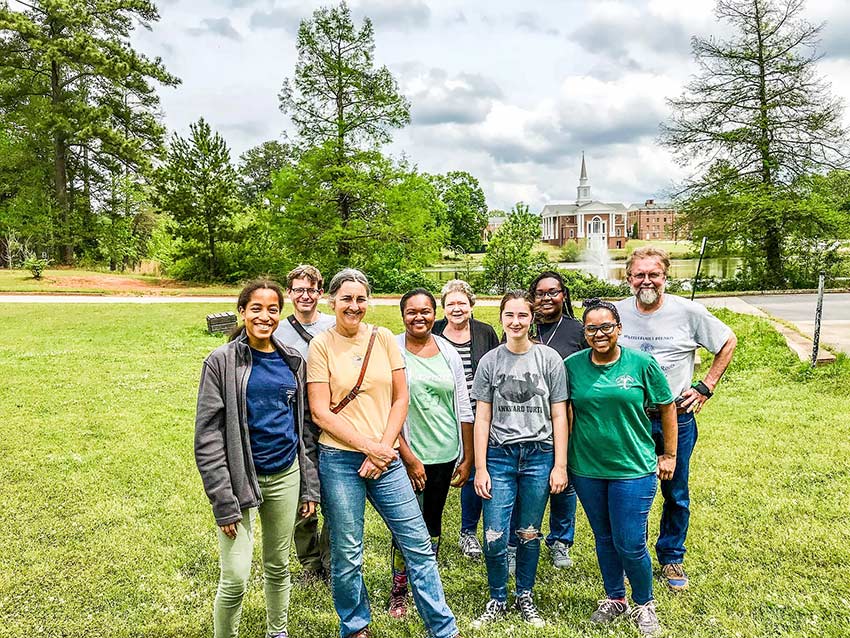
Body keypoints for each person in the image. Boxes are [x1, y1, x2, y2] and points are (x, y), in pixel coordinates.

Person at [306, 269, 460, 638]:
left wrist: (384, 448)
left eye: (361, 299)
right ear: (333, 301)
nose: (354, 306)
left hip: (386, 461)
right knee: (348, 552)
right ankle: (356, 626)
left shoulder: (384, 339)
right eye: (346, 299)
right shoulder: (321, 345)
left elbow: (400, 397)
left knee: (418, 545)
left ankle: (443, 628)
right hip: (341, 460)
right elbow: (320, 412)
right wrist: (369, 447)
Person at [195, 279, 320, 638]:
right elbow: (207, 437)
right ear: (242, 312)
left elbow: (305, 431)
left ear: (280, 314)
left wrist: (309, 488)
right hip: (238, 479)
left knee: (278, 566)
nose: (265, 316)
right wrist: (223, 502)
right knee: (234, 577)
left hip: (285, 475)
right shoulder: (220, 362)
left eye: (272, 309)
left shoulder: (293, 362)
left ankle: (276, 632)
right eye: (256, 308)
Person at [615, 246, 737, 592]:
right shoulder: (618, 313)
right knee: (629, 490)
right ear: (629, 278)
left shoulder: (688, 311)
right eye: (639, 274)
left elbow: (728, 340)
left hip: (676, 417)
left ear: (665, 277)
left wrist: (706, 385)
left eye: (654, 274)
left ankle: (671, 556)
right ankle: (630, 556)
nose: (646, 281)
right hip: (631, 419)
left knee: (675, 491)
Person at [566, 299, 677, 636]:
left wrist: (669, 455)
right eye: (592, 328)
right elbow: (565, 412)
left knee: (630, 542)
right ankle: (616, 598)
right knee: (603, 537)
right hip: (586, 468)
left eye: (606, 327)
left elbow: (667, 407)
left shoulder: (642, 364)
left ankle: (644, 603)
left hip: (633, 469)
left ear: (619, 329)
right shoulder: (571, 366)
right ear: (584, 332)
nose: (599, 334)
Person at [471, 291, 569, 629]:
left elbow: (559, 414)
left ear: (532, 319)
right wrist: (480, 467)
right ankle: (497, 596)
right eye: (509, 315)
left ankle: (524, 595)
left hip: (539, 455)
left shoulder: (549, 359)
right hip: (499, 456)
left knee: (529, 532)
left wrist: (559, 464)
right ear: (501, 318)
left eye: (522, 316)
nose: (516, 322)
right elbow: (482, 416)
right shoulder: (490, 361)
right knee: (494, 535)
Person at [388, 288, 474, 618]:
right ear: (403, 315)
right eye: (412, 311)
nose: (419, 317)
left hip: (445, 452)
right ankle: (399, 589)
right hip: (407, 455)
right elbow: (387, 405)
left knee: (432, 522)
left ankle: (427, 586)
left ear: (434, 314)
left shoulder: (448, 351)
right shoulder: (392, 349)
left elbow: (463, 404)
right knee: (405, 525)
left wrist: (467, 456)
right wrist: (407, 456)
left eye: (425, 311)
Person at [505, 271, 586, 572]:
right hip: (527, 421)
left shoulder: (577, 329)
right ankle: (517, 542)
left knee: (564, 484)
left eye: (554, 292)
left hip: (569, 417)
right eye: (540, 293)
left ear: (564, 295)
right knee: (523, 485)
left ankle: (561, 540)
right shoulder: (521, 325)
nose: (547, 298)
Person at [273, 264, 335, 584]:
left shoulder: (334, 325)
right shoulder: (278, 331)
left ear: (320, 293)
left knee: (334, 492)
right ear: (290, 293)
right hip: (294, 419)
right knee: (301, 494)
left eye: (311, 290)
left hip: (331, 415)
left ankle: (329, 559)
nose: (305, 296)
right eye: (298, 289)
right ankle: (311, 564)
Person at [431, 279, 499, 559]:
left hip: (479, 411)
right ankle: (428, 532)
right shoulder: (433, 330)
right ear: (443, 308)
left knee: (474, 470)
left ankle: (468, 532)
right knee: (437, 471)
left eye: (462, 303)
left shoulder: (485, 332)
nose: (456, 308)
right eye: (450, 304)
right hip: (440, 412)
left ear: (471, 305)